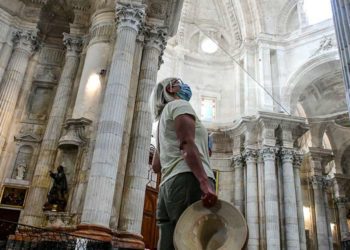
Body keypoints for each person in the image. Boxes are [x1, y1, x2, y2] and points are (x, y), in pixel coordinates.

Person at [150, 77, 218, 250]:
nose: (184, 86)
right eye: (180, 83)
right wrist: (204, 181)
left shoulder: (161, 122)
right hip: (189, 179)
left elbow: (156, 166)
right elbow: (186, 143)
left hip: (167, 188)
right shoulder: (180, 105)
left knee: (169, 243)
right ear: (171, 88)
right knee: (195, 240)